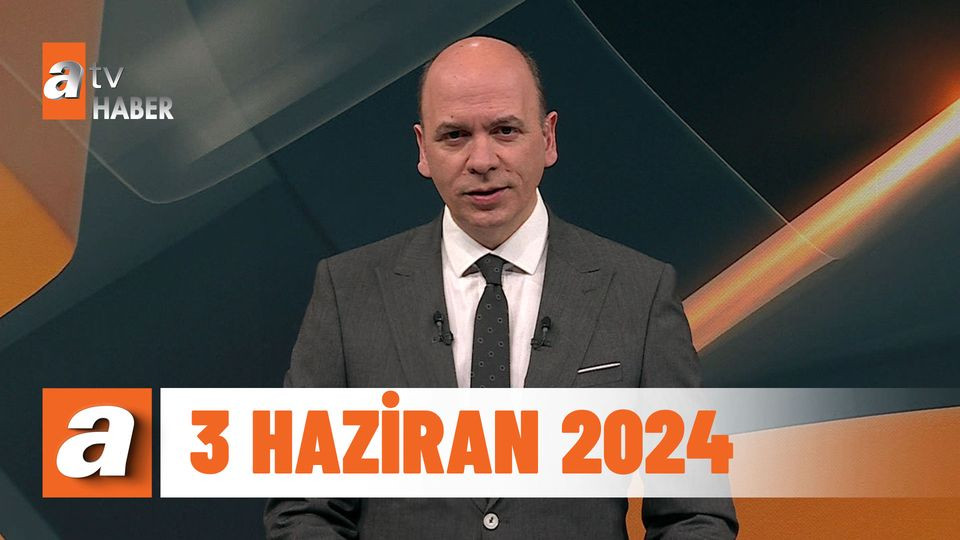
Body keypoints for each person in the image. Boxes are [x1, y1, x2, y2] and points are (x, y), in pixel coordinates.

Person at [264, 36, 738, 539]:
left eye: (505, 130)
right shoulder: (347, 293)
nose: (482, 159)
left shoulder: (639, 292)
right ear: (423, 149)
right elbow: (302, 509)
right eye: (455, 136)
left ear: (548, 138)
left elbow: (694, 515)